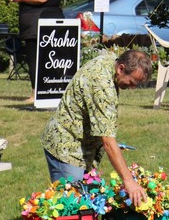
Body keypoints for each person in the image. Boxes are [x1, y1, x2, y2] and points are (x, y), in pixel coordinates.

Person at [41, 49, 152, 205]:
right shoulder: (101, 85)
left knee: (86, 204)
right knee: (69, 206)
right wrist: (129, 181)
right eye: (132, 82)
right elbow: (108, 142)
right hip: (67, 148)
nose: (132, 87)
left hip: (84, 147)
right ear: (120, 68)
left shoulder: (111, 62)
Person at [7, 0, 64, 101]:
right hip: (35, 22)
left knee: (37, 57)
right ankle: (37, 91)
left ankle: (37, 92)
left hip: (41, 21)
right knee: (34, 56)